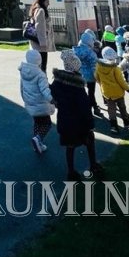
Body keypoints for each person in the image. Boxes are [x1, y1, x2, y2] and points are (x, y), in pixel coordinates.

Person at [50, 49, 105, 181]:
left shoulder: (57, 82)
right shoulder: (77, 86)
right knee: (90, 142)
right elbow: (84, 107)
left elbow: (53, 98)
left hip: (65, 121)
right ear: (76, 67)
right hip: (80, 123)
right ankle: (93, 164)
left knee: (70, 147)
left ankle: (71, 171)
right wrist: (90, 124)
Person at [19, 48, 55, 154]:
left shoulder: (23, 71)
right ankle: (38, 139)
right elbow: (45, 90)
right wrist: (52, 100)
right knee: (47, 124)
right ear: (39, 61)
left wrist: (24, 98)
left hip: (30, 103)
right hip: (41, 104)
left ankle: (37, 143)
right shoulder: (40, 75)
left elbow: (21, 87)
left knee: (37, 123)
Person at [95, 46, 129, 134]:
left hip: (107, 92)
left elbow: (97, 78)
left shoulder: (98, 66)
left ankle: (114, 126)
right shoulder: (115, 68)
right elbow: (121, 81)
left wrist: (102, 85)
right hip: (118, 92)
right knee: (122, 107)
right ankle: (126, 122)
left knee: (111, 109)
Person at [73, 31, 104, 118]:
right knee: (91, 93)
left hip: (79, 75)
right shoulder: (91, 53)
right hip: (90, 76)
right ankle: (94, 108)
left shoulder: (75, 50)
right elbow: (94, 67)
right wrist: (98, 78)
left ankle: (84, 109)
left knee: (81, 93)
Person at [29, 0, 56, 73]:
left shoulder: (36, 9)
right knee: (43, 65)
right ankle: (43, 81)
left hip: (37, 43)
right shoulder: (41, 11)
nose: (49, 4)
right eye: (47, 2)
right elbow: (40, 28)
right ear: (43, 2)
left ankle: (40, 80)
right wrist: (43, 43)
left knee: (39, 65)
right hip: (41, 45)